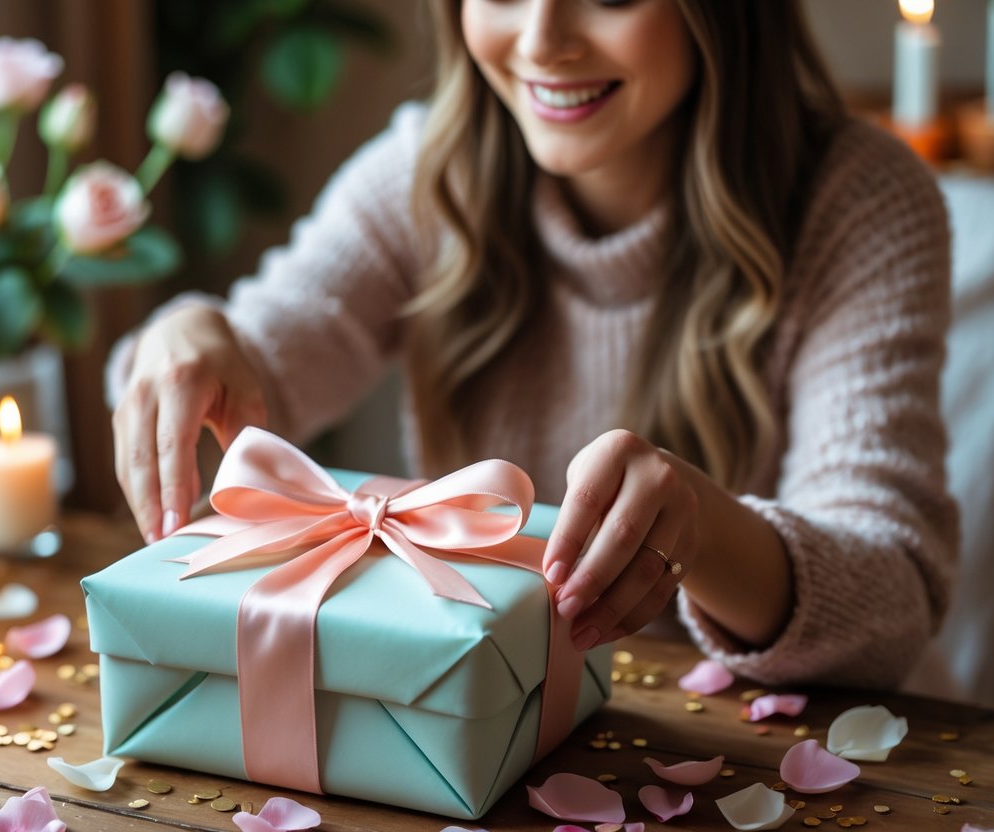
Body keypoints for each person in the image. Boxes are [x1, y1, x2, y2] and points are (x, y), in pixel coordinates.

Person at [107, 0, 957, 688]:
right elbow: (248, 370)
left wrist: (701, 530)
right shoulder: (424, 171)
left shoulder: (859, 203)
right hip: (481, 720)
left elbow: (890, 607)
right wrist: (183, 334)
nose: (543, 39)